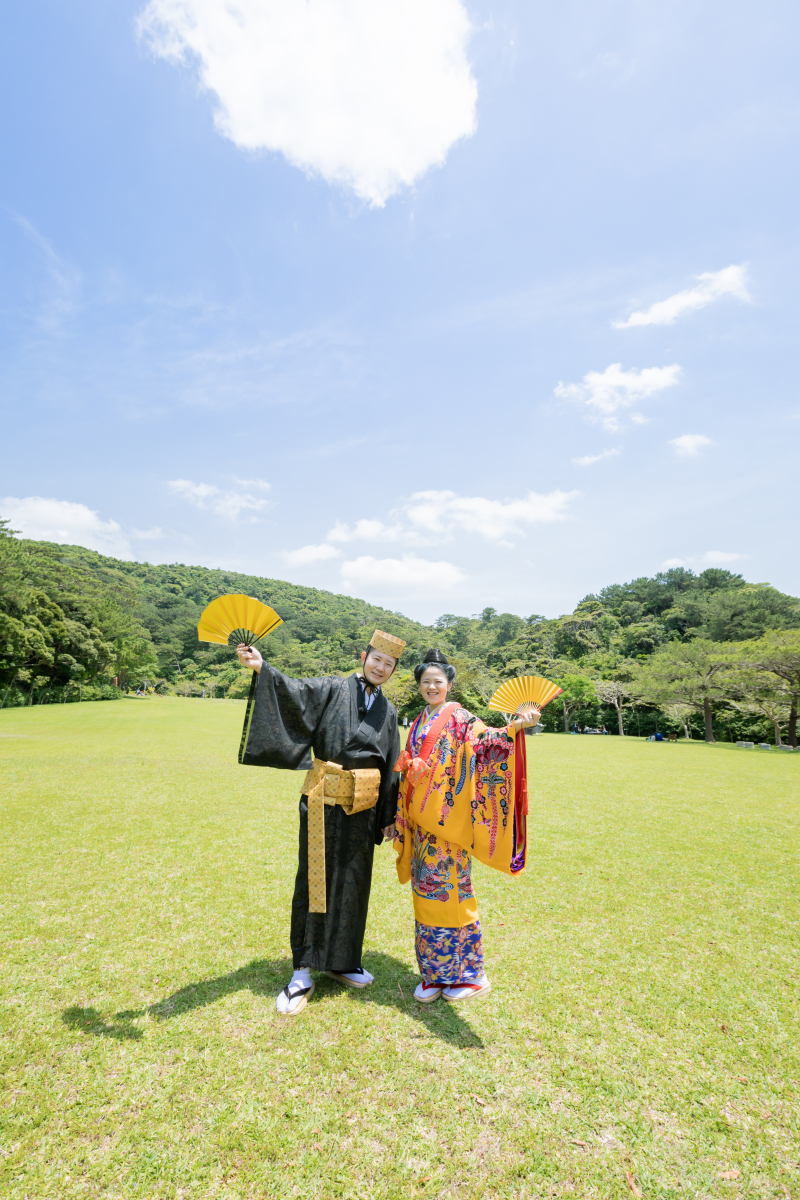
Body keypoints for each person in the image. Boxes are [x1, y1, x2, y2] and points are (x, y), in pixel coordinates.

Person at [237, 629, 405, 1016]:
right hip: (322, 802)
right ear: (364, 656)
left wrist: (387, 818)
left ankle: (342, 960)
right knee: (315, 882)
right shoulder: (331, 688)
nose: (381, 667)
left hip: (363, 807)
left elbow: (392, 763)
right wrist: (263, 668)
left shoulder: (389, 710)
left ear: (393, 670)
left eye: (389, 664)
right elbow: (293, 693)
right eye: (376, 658)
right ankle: (302, 970)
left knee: (353, 882)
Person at [392, 649, 538, 1004]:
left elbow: (486, 743)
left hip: (448, 820)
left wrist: (518, 725)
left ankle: (471, 975)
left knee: (453, 895)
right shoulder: (419, 719)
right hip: (421, 823)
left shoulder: (460, 717)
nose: (431, 686)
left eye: (437, 682)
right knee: (427, 896)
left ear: (449, 685)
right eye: (425, 681)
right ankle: (434, 974)